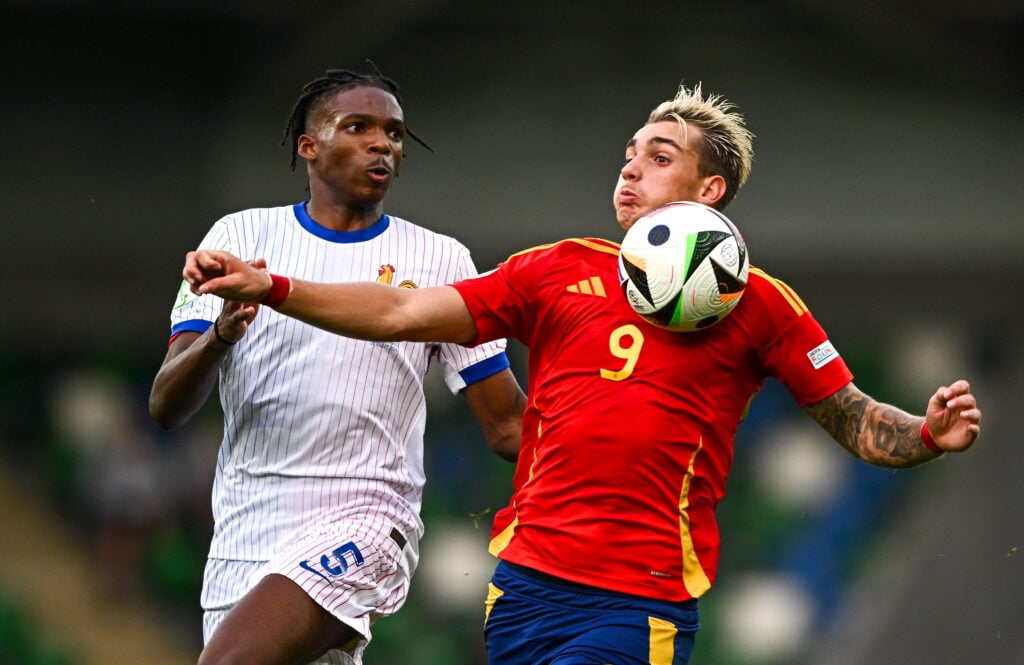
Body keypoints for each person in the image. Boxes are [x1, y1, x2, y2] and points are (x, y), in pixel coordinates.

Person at [181, 82, 983, 665]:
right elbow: (397, 313)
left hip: (639, 600)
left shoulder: (763, 306)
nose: (629, 170)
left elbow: (850, 413)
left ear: (709, 191)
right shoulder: (554, 271)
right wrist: (272, 286)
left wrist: (925, 435)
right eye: (628, 154)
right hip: (524, 588)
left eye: (657, 157)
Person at [149, 67, 526, 665]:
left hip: (368, 521)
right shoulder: (240, 234)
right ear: (309, 146)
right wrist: (221, 334)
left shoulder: (441, 259)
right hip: (245, 534)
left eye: (395, 134)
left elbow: (508, 426)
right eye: (359, 128)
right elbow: (166, 406)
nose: (384, 144)